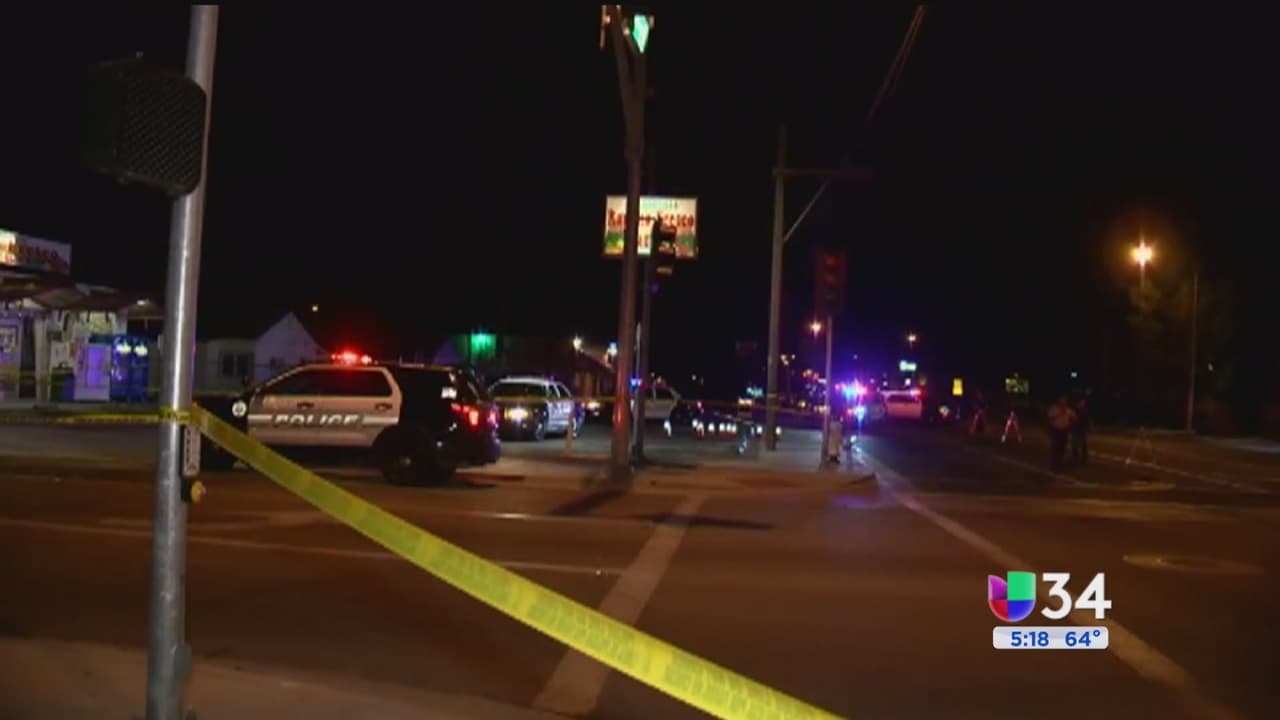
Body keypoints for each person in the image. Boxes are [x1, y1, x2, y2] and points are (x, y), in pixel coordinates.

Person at [1046, 395, 1076, 470]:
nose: (1064, 402)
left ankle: (1059, 463)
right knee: (1055, 447)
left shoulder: (1068, 410)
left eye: (1065, 401)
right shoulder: (1054, 409)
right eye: (1062, 400)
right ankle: (1054, 464)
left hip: (1064, 431)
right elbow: (1049, 417)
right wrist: (1060, 413)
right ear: (1059, 401)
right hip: (1056, 430)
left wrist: (1070, 424)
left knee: (1062, 448)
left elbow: (1074, 417)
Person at [1071, 396, 1091, 466]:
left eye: (1083, 402)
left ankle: (1084, 459)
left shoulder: (1085, 411)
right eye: (1081, 402)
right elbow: (1072, 420)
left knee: (1084, 446)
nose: (1082, 404)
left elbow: (1087, 420)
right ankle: (1075, 458)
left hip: (1082, 430)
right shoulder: (1074, 411)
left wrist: (1088, 428)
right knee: (1075, 445)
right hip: (1076, 430)